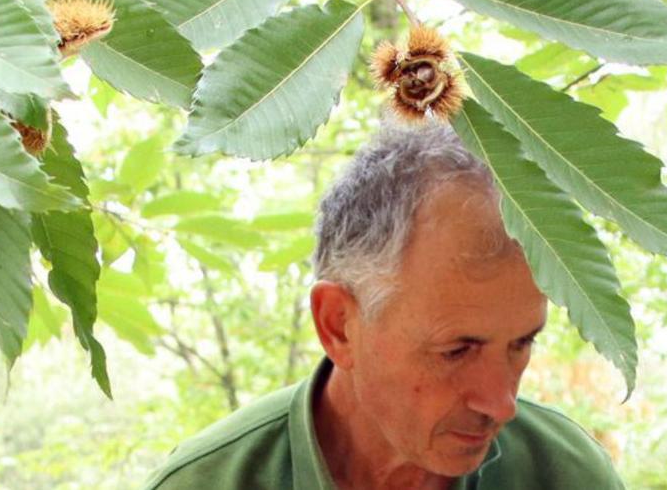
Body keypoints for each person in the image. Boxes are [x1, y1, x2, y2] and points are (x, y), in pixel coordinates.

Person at [142, 124, 624, 489]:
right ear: (339, 326)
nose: (501, 403)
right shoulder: (205, 481)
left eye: (521, 344)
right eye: (457, 350)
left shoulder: (566, 474)